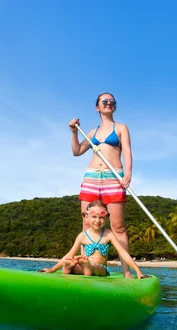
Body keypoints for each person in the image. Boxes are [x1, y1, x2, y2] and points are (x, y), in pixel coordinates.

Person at [68, 92, 134, 277]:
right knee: (87, 224)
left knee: (118, 227)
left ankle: (126, 271)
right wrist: (73, 132)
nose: (109, 103)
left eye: (112, 101)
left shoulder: (121, 128)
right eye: (104, 101)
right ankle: (83, 267)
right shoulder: (91, 132)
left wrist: (128, 173)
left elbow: (127, 151)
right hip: (91, 178)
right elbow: (76, 151)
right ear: (97, 107)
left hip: (113, 177)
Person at [38, 200, 148, 279]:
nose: (98, 220)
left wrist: (138, 271)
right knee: (75, 266)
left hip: (100, 269)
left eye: (101, 217)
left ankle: (86, 268)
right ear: (86, 217)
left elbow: (123, 253)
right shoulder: (82, 236)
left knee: (93, 267)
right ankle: (69, 268)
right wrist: (52, 270)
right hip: (85, 266)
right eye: (94, 217)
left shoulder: (108, 234)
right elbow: (69, 254)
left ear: (106, 218)